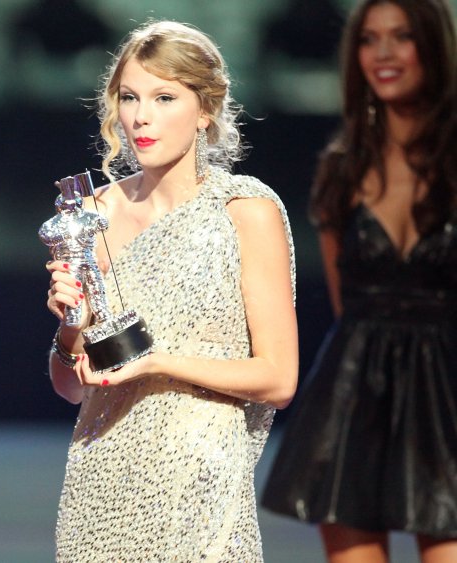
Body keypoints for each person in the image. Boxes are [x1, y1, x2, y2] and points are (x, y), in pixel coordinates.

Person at [44, 20, 298, 561]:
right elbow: (72, 388)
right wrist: (69, 329)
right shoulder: (92, 216)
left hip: (201, 483)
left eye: (164, 97)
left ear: (205, 109)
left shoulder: (244, 212)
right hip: (101, 480)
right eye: (130, 97)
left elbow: (278, 379)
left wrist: (158, 364)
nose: (141, 116)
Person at [261, 1, 457, 562]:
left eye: (402, 37)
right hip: (354, 401)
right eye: (371, 40)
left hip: (448, 398)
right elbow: (348, 303)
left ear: (434, 47)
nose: (385, 54)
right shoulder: (342, 167)